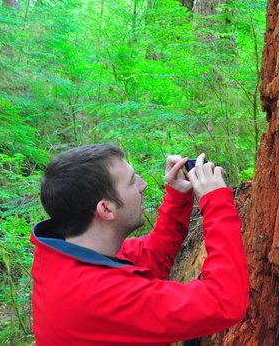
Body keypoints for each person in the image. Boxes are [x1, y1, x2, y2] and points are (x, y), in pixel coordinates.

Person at [30, 143, 248, 345]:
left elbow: (151, 256)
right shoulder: (100, 295)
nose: (143, 185)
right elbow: (223, 302)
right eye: (132, 181)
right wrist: (216, 202)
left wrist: (178, 195)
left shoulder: (68, 254)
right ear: (106, 209)